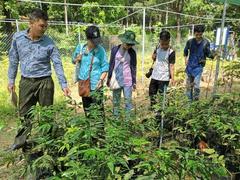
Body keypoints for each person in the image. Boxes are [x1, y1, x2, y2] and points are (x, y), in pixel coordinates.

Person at [8, 9, 71, 150]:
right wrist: (11, 81)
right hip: (26, 82)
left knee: (47, 114)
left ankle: (47, 144)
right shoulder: (18, 39)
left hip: (45, 82)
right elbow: (13, 61)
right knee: (24, 113)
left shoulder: (49, 42)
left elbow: (57, 63)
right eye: (41, 26)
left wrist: (64, 84)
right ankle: (21, 142)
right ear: (31, 23)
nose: (44, 29)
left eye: (46, 26)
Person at [72, 25, 109, 118]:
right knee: (87, 110)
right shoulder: (80, 48)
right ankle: (90, 130)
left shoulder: (101, 50)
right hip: (83, 83)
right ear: (87, 39)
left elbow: (105, 67)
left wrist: (101, 80)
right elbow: (73, 60)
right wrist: (77, 58)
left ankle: (100, 131)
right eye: (93, 41)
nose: (96, 43)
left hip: (96, 85)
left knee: (99, 110)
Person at [107, 30, 138, 117]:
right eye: (128, 44)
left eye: (131, 45)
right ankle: (116, 121)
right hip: (116, 79)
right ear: (123, 41)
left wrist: (134, 81)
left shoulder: (132, 53)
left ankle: (128, 123)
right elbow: (111, 64)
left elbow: (133, 67)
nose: (129, 46)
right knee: (116, 102)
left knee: (128, 102)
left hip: (128, 80)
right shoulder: (114, 50)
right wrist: (109, 78)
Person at [184, 25, 215, 101]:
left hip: (199, 67)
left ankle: (195, 102)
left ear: (202, 33)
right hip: (190, 66)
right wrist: (185, 59)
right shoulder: (190, 42)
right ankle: (189, 102)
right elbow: (185, 51)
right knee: (189, 86)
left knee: (196, 86)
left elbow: (208, 53)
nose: (198, 36)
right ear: (194, 33)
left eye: (200, 34)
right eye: (197, 34)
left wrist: (213, 55)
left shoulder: (205, 42)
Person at [148, 31, 175, 114]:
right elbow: (153, 58)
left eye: (166, 44)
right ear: (160, 41)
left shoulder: (171, 52)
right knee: (152, 93)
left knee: (162, 96)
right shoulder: (157, 47)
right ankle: (154, 112)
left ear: (169, 41)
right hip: (155, 75)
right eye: (162, 44)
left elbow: (171, 66)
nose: (164, 46)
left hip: (164, 77)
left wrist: (173, 78)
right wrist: (153, 56)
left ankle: (162, 113)